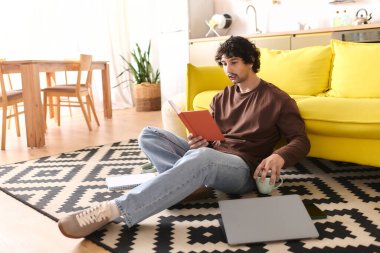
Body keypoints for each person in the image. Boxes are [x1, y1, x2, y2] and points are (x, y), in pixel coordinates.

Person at [57, 36, 310, 239]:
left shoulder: (277, 99)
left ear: (251, 61)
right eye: (223, 63)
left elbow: (300, 140)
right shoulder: (222, 97)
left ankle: (113, 210)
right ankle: (189, 185)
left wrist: (279, 156)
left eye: (233, 62)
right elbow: (213, 138)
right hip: (212, 155)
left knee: (203, 158)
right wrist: (199, 140)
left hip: (243, 169)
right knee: (149, 134)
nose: (227, 69)